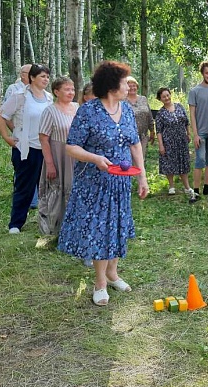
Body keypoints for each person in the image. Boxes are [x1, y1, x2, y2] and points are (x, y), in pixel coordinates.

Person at [57, 61, 149, 306]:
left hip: (120, 181)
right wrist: (95, 158)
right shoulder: (88, 111)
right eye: (123, 82)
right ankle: (99, 283)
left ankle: (112, 273)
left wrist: (142, 176)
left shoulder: (127, 110)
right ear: (111, 86)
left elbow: (135, 144)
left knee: (118, 225)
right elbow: (71, 147)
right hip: (94, 183)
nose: (128, 86)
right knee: (100, 229)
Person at [0, 64, 52, 233]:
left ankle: (47, 222)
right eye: (42, 76)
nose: (46, 80)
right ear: (32, 78)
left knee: (46, 188)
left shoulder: (49, 97)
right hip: (26, 149)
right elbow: (1, 115)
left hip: (45, 148)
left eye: (47, 77)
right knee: (24, 187)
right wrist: (7, 137)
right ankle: (16, 223)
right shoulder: (19, 96)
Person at [37, 76, 79, 236]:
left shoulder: (77, 107)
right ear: (56, 92)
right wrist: (50, 164)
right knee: (58, 191)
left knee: (76, 190)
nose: (71, 92)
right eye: (67, 89)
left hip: (76, 156)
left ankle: (75, 228)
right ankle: (56, 229)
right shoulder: (50, 111)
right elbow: (43, 139)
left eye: (73, 89)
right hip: (59, 156)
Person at [155, 87, 196, 200]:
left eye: (167, 95)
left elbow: (186, 122)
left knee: (183, 162)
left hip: (182, 140)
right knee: (169, 163)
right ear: (160, 99)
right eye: (164, 96)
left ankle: (187, 187)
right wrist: (161, 145)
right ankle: (171, 186)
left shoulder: (179, 106)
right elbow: (158, 130)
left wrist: (188, 133)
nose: (166, 98)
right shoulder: (160, 113)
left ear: (170, 95)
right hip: (168, 141)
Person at [188, 60, 208, 198]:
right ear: (202, 73)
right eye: (207, 73)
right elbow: (192, 115)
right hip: (200, 132)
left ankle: (207, 187)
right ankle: (195, 190)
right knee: (200, 160)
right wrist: (195, 134)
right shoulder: (194, 91)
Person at [126, 75, 155, 157]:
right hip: (128, 138)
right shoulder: (122, 101)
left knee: (141, 161)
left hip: (143, 136)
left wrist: (152, 131)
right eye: (129, 86)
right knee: (129, 163)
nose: (132, 88)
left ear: (137, 87)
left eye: (134, 85)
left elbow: (149, 116)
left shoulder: (143, 99)